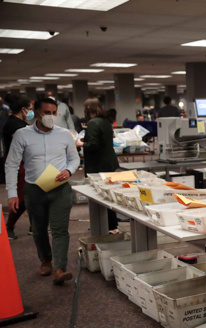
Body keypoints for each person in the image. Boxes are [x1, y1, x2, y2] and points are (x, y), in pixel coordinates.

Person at [5, 97, 80, 284]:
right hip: (34, 190)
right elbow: (11, 164)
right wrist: (12, 194)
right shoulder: (22, 135)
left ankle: (60, 268)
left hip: (60, 189)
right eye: (47, 113)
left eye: (54, 113)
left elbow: (74, 159)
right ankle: (45, 260)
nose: (51, 116)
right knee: (38, 230)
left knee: (60, 229)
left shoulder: (64, 135)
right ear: (37, 113)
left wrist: (68, 170)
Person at [76, 98, 120, 233]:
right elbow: (103, 140)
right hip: (108, 163)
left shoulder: (93, 123)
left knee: (100, 196)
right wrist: (88, 138)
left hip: (98, 165)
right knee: (108, 195)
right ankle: (111, 225)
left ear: (88, 109)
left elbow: (93, 145)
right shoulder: (105, 121)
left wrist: (81, 144)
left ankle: (109, 226)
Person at [2, 94, 34, 240]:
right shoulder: (15, 125)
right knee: (21, 198)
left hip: (25, 163)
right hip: (17, 164)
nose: (31, 112)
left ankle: (34, 226)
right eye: (30, 109)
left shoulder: (17, 123)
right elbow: (24, 144)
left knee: (33, 195)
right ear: (23, 109)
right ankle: (9, 226)